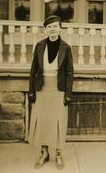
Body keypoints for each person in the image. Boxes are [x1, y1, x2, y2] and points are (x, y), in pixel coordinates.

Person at [28, 15, 74, 170]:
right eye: (49, 27)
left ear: (60, 28)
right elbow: (33, 69)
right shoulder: (39, 46)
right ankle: (44, 152)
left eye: (55, 26)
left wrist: (68, 93)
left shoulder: (66, 47)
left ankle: (58, 154)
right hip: (42, 88)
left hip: (58, 88)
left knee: (59, 121)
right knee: (42, 121)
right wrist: (31, 91)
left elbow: (69, 72)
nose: (52, 29)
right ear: (45, 29)